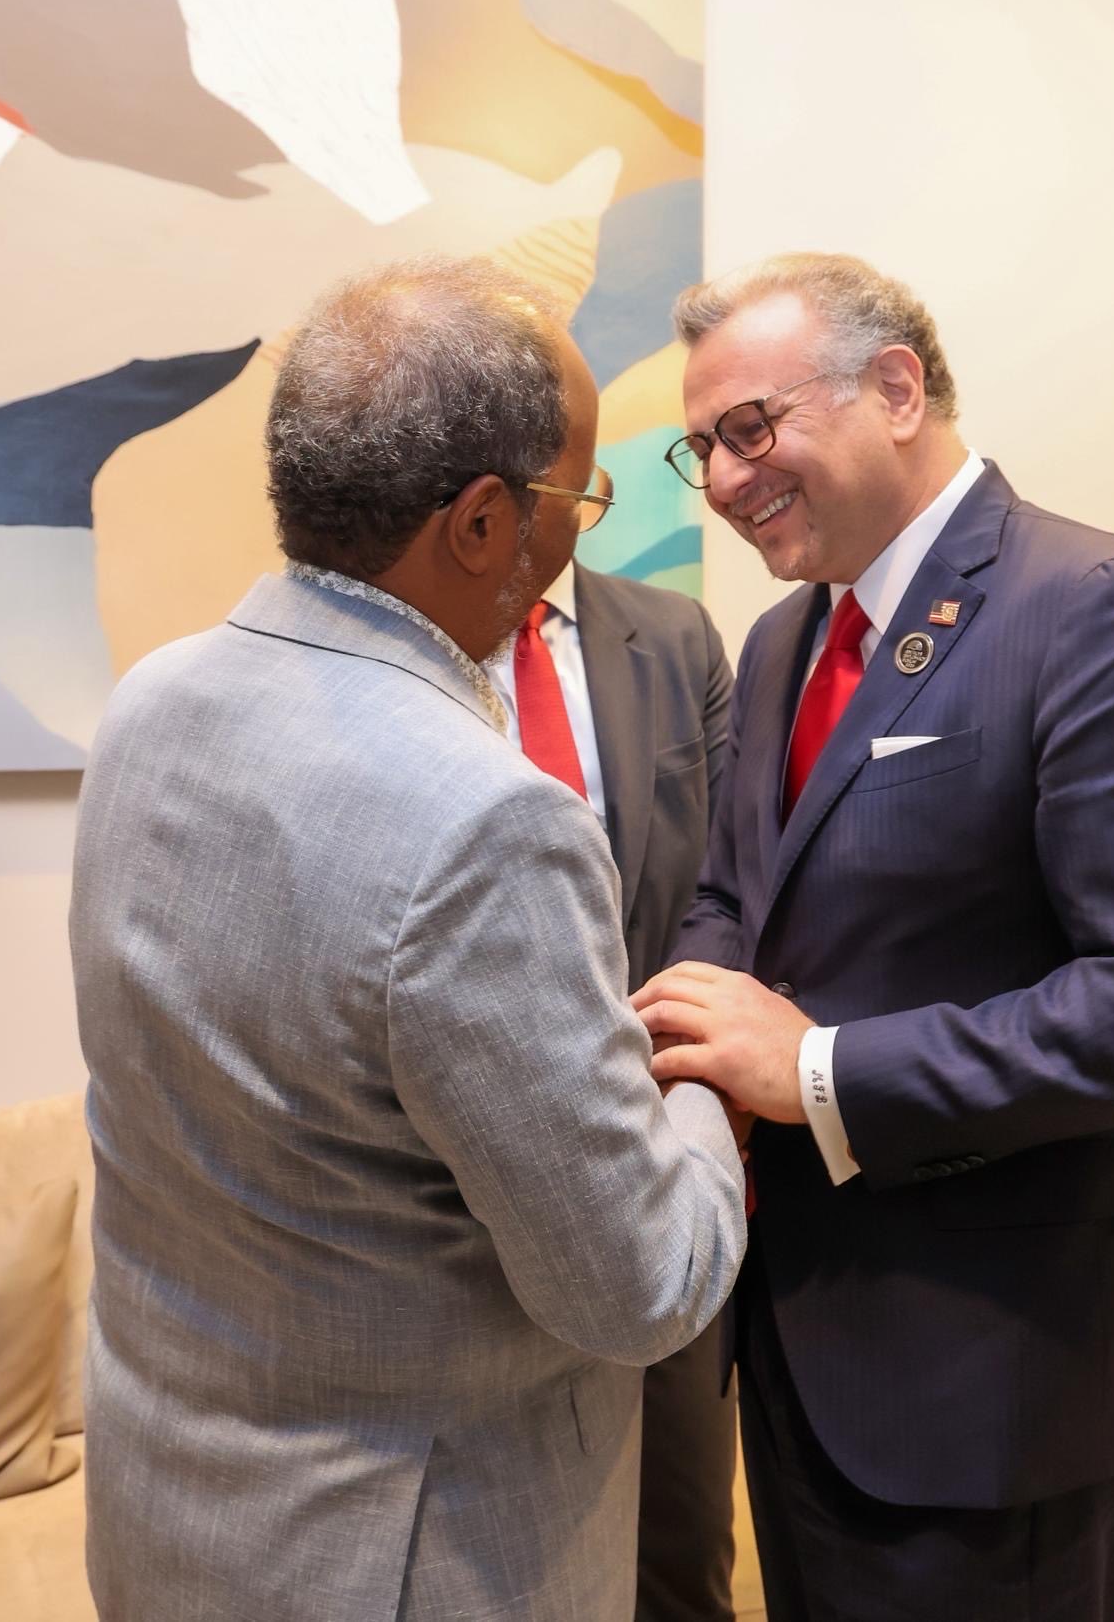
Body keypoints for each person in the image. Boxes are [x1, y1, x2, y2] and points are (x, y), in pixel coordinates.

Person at [71, 255, 748, 1622]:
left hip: (172, 1522)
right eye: (576, 500)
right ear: (484, 521)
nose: (577, 536)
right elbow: (642, 1283)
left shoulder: (150, 704)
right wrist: (706, 1072)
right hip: (410, 1557)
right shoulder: (486, 818)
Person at [636, 253, 1114, 1622]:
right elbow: (737, 899)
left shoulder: (1092, 603)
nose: (728, 479)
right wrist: (678, 1039)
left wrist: (816, 1071)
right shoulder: (782, 641)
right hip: (801, 1343)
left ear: (895, 388)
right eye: (705, 450)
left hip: (1002, 1373)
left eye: (750, 427)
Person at [495, 528, 740, 1620]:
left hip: (661, 1146)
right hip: (475, 1172)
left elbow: (735, 876)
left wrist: (697, 1091)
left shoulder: (675, 637)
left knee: (681, 1543)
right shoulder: (405, 649)